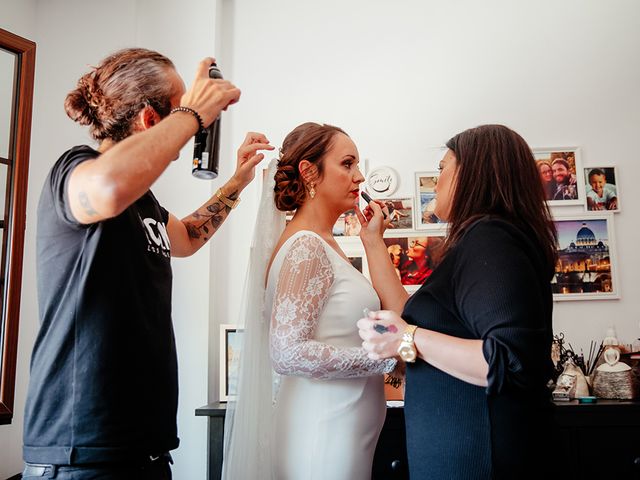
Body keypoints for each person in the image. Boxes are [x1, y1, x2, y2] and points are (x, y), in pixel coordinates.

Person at [22, 48, 273, 480]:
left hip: (144, 449)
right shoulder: (76, 170)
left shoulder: (143, 201)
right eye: (179, 109)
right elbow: (106, 186)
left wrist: (237, 181)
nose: (194, 128)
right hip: (82, 452)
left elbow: (189, 237)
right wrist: (194, 113)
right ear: (150, 120)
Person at [355, 124, 557, 479]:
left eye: (442, 168)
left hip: (479, 459)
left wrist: (408, 339)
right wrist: (373, 242)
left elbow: (510, 361)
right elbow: (410, 315)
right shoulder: (479, 241)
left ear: (471, 173)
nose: (437, 180)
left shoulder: (491, 240)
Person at [222, 122, 396, 480]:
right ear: (309, 172)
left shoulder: (322, 244)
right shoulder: (306, 248)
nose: (360, 176)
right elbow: (287, 352)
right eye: (347, 164)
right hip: (325, 433)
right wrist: (384, 360)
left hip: (342, 428)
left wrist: (373, 241)